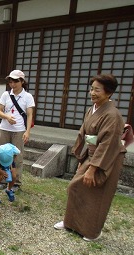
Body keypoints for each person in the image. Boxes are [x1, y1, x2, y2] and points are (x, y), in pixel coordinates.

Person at [54, 74, 126, 242]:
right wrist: (81, 158)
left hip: (107, 158)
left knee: (98, 195)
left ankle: (93, 231)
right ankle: (70, 222)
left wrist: (93, 168)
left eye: (97, 90)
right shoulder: (91, 109)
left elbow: (107, 144)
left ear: (108, 93)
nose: (92, 93)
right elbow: (83, 134)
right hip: (92, 153)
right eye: (91, 89)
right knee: (75, 187)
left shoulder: (112, 115)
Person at [0, 70, 35, 188]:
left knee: (17, 156)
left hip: (19, 130)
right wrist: (6, 117)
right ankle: (2, 180)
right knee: (2, 154)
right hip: (4, 128)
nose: (13, 84)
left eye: (16, 81)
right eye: (11, 81)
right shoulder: (5, 95)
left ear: (22, 81)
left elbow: (29, 115)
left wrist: (27, 131)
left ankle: (16, 181)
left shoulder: (27, 96)